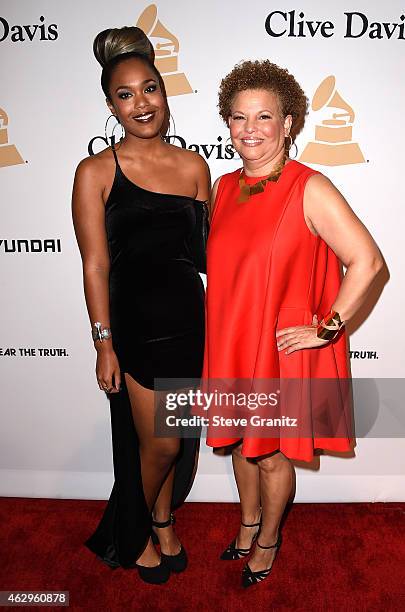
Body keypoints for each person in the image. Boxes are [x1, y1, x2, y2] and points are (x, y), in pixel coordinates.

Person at [203, 60, 383, 588]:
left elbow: (368, 262)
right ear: (227, 124)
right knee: (238, 443)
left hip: (278, 349)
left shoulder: (310, 187)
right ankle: (247, 523)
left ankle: (268, 539)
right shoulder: (222, 187)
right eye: (238, 118)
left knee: (273, 452)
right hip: (232, 341)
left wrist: (326, 328)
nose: (249, 130)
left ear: (288, 124)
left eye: (264, 117)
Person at [72, 26, 210, 584]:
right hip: (134, 327)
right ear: (111, 106)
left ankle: (160, 516)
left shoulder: (195, 169)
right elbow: (95, 264)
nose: (141, 103)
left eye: (149, 88)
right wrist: (103, 341)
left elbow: (205, 257)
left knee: (176, 445)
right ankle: (125, 532)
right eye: (125, 95)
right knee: (160, 443)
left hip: (187, 321)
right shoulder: (95, 172)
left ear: (164, 93)